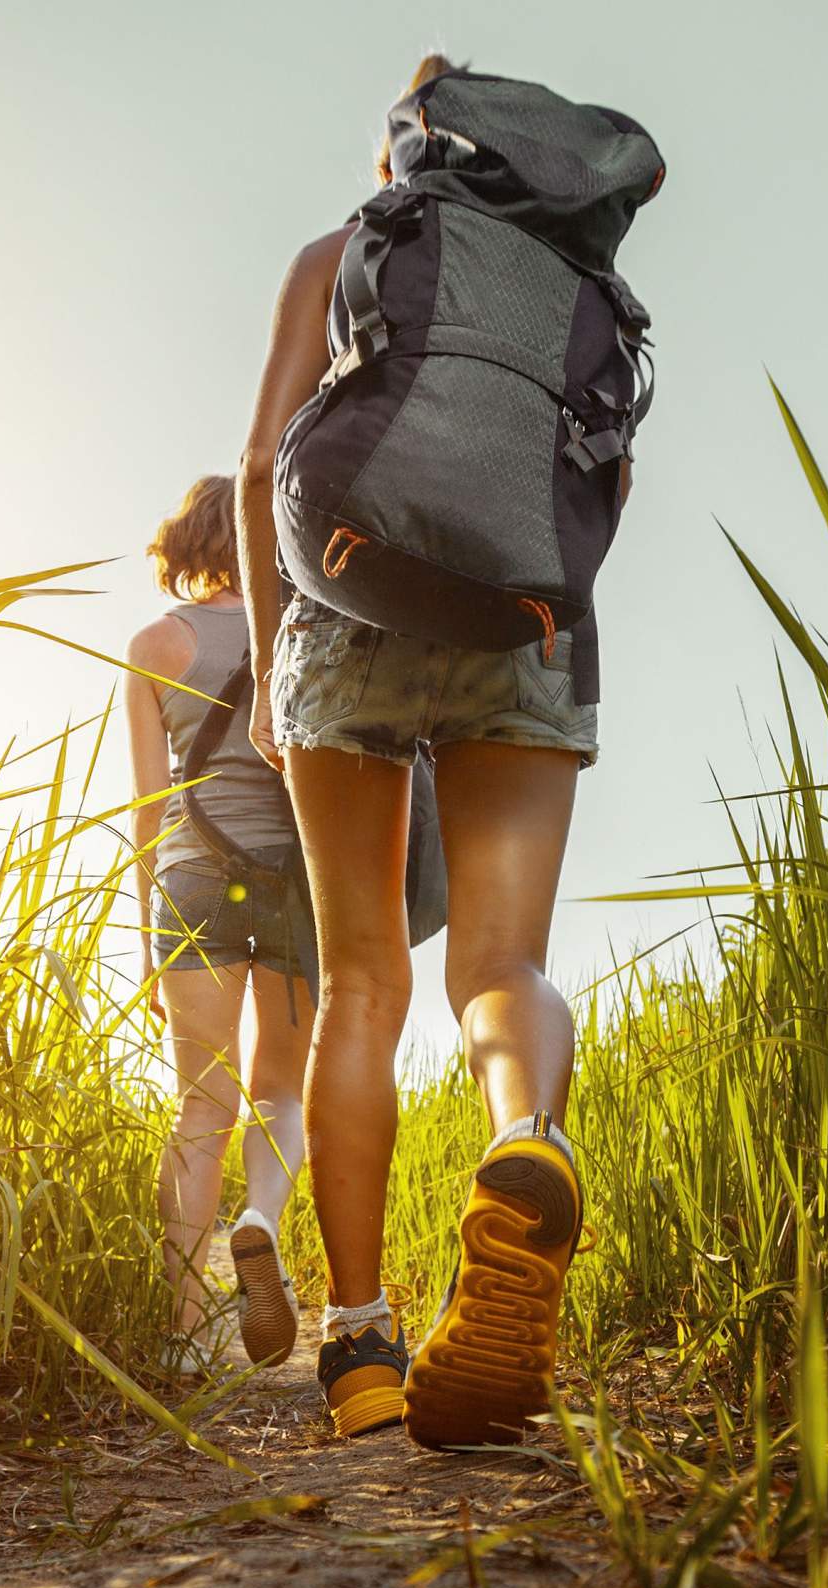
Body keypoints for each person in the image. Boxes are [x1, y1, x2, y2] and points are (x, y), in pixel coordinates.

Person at [234, 56, 627, 1445]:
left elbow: (259, 465)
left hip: (343, 611)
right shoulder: (563, 279)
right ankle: (529, 1137)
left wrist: (279, 670)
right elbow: (597, 479)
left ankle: (358, 1345)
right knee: (501, 963)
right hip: (523, 620)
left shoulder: (346, 252)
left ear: (411, 145)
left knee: (359, 978)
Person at [125, 475, 317, 1375]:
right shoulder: (304, 630)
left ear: (183, 550)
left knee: (201, 1103)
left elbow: (146, 806)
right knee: (280, 1092)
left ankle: (186, 1326)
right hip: (293, 881)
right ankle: (260, 1219)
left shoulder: (154, 646)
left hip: (191, 883)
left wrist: (141, 933)